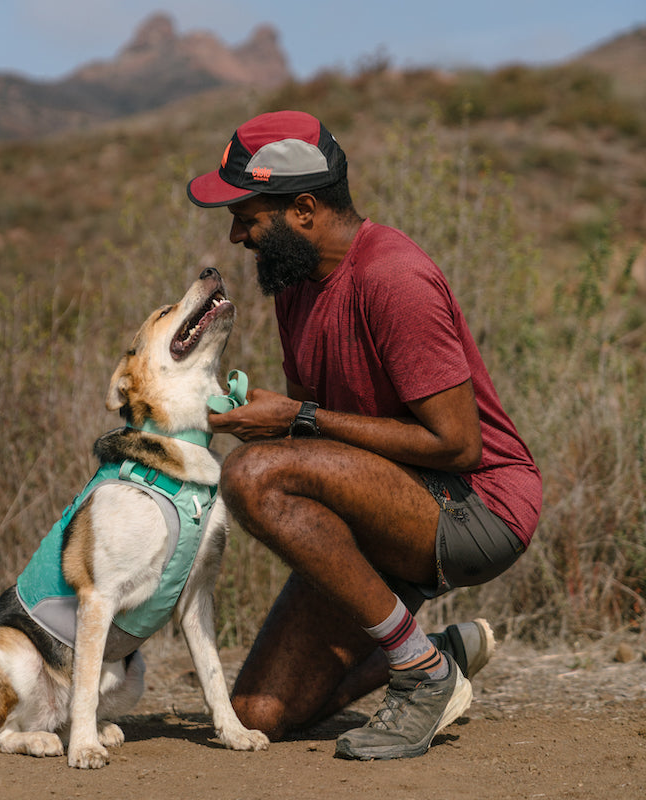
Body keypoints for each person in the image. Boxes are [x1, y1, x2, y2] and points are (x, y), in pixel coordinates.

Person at [186, 110, 542, 760]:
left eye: (247, 215)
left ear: (302, 209)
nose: (235, 235)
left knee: (254, 474)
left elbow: (459, 446)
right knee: (258, 713)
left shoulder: (392, 278)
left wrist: (293, 423)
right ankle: (439, 655)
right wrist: (248, 420)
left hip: (478, 508)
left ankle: (420, 673)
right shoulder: (294, 285)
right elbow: (322, 442)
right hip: (388, 502)